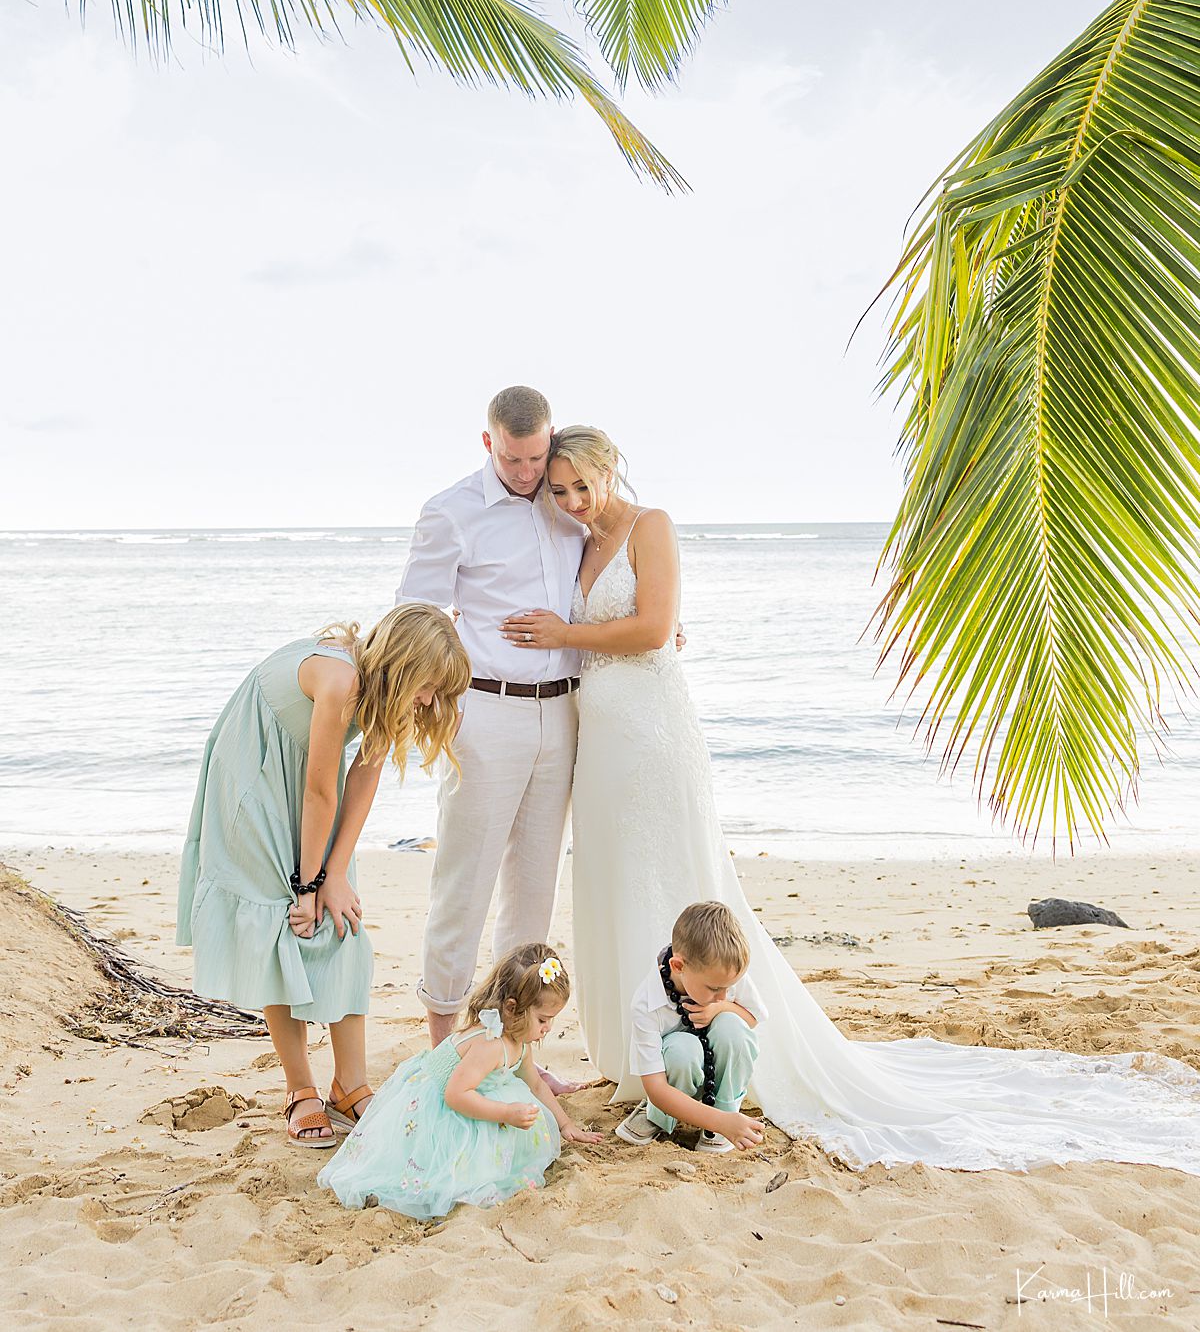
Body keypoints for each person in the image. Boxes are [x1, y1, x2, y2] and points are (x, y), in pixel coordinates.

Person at [501, 426, 1200, 1176]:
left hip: (652, 737)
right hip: (601, 743)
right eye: (561, 490)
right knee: (615, 884)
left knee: (670, 882)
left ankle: (693, 1064)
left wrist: (563, 634)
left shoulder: (652, 525)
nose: (573, 501)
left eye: (583, 485)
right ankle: (640, 1053)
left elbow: (656, 627)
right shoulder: (577, 542)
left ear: (611, 469)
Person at [177, 604, 469, 1149]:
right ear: (403, 666)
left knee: (342, 919)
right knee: (285, 923)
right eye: (427, 686)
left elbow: (361, 780)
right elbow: (318, 791)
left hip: (310, 782)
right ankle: (299, 1088)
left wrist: (333, 875)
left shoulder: (385, 696)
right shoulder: (340, 679)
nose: (429, 700)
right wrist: (308, 886)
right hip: (256, 776)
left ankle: (349, 1084)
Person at [397, 386, 587, 1052]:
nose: (529, 471)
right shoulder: (450, 512)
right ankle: (442, 1045)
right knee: (463, 884)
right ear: (488, 443)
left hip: (563, 711)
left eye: (537, 456)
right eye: (514, 458)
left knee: (535, 894)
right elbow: (413, 622)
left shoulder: (570, 501)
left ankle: (518, 1049)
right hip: (484, 713)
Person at [317, 942, 602, 1219]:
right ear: (513, 1008)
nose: (548, 1028)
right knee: (446, 1176)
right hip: (440, 1106)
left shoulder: (519, 1038)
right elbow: (455, 1095)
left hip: (472, 1093)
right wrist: (504, 1113)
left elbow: (537, 1084)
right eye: (543, 1020)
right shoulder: (490, 1044)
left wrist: (565, 1125)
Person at [617, 902, 765, 1155]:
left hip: (715, 1067)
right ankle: (660, 1116)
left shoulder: (723, 972)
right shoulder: (646, 1003)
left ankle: (725, 1110)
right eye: (715, 989)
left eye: (728, 988)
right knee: (681, 1051)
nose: (723, 995)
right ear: (678, 966)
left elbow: (751, 1018)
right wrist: (721, 1123)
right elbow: (657, 1088)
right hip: (675, 1078)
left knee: (734, 1029)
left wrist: (720, 1009)